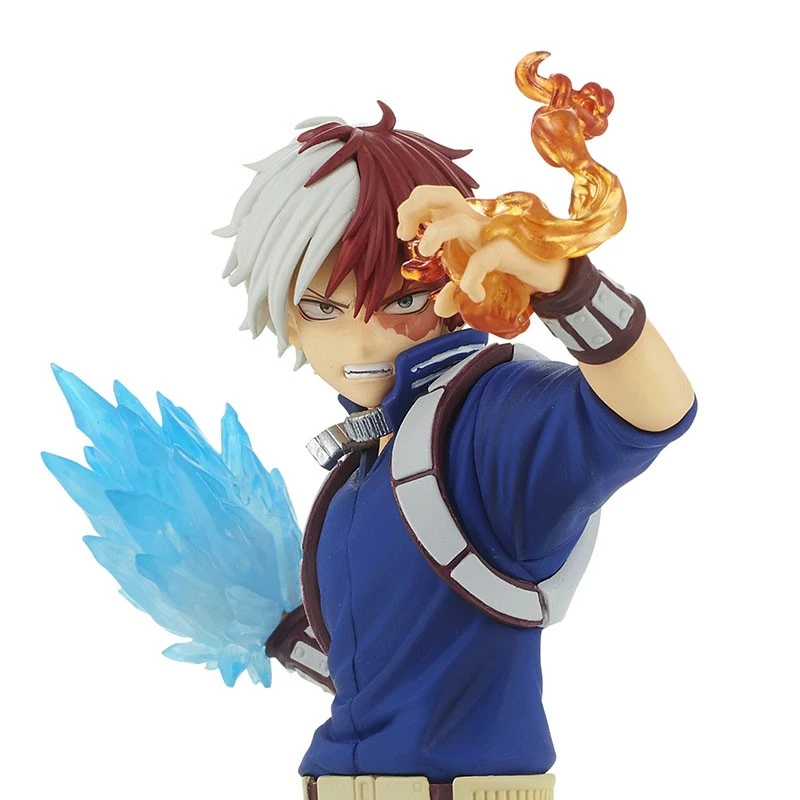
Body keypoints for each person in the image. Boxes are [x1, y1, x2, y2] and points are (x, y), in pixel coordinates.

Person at [214, 95, 696, 799]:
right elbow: (386, 678)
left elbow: (651, 411)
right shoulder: (362, 470)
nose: (361, 343)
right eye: (322, 308)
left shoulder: (488, 422)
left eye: (403, 300)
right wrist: (282, 631)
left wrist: (566, 288)